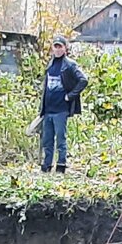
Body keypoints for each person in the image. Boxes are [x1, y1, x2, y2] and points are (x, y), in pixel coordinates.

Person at [38, 35, 88, 174]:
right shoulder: (50, 64)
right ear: (52, 48)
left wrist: (70, 96)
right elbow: (46, 86)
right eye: (56, 46)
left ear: (66, 48)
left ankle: (61, 165)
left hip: (61, 110)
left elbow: (83, 80)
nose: (58, 49)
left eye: (60, 46)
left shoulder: (70, 65)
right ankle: (47, 165)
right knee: (47, 140)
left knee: (61, 139)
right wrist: (41, 108)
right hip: (48, 109)